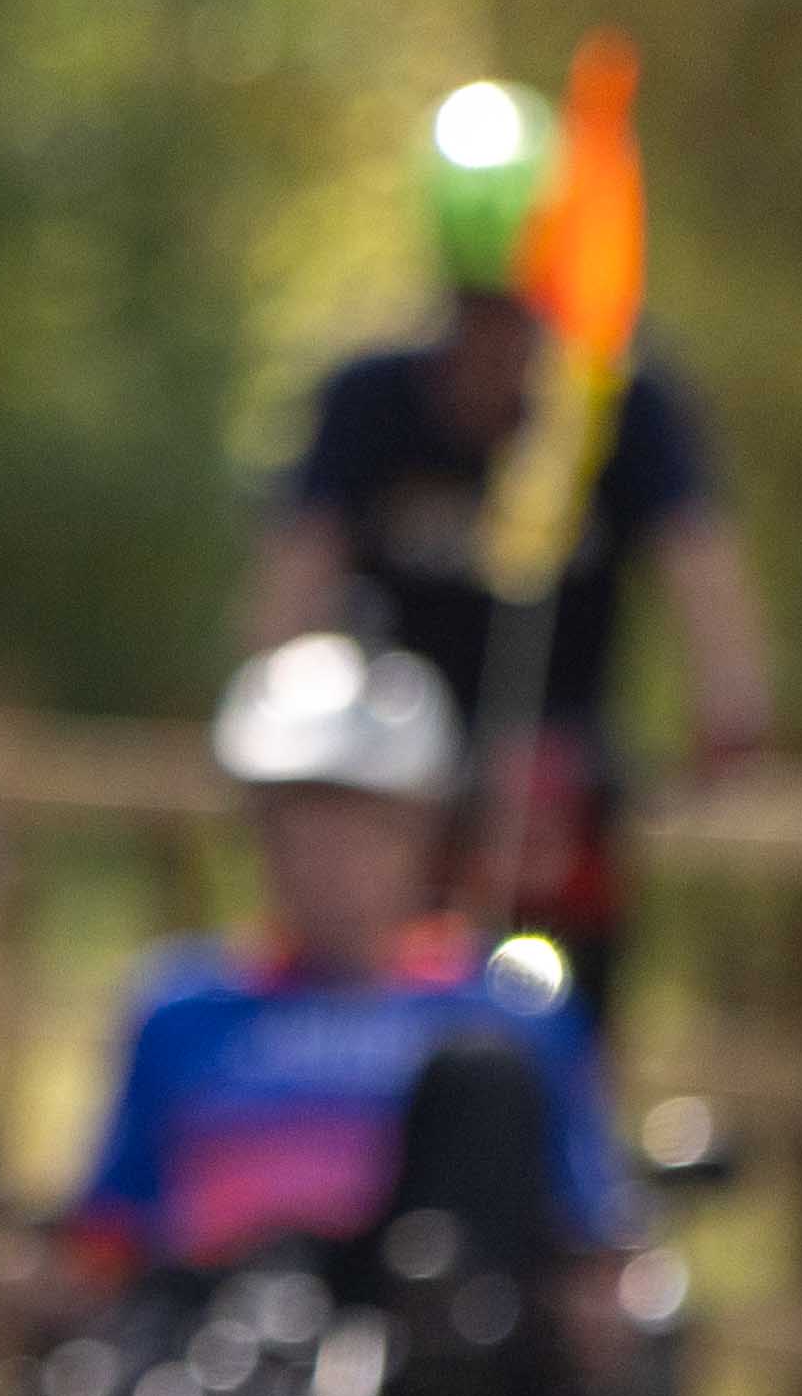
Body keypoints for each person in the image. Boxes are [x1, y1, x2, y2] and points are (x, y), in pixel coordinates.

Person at [246, 76, 774, 1026]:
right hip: (395, 777)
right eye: (475, 313)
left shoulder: (623, 407)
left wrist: (723, 711)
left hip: (563, 799)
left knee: (556, 1018)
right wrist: (281, 729)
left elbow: (707, 585)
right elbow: (288, 594)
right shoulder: (366, 402)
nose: (496, 347)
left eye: (519, 315)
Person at [56, 635, 638, 1382]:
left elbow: (589, 1236)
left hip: (428, 1362)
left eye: (361, 825)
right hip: (207, 1343)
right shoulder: (182, 1005)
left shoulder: (508, 1012)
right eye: (304, 823)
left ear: (422, 833)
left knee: (479, 1080)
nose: (328, 859)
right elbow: (109, 1232)